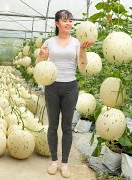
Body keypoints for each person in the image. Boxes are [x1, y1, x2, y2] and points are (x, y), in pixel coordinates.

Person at [36, 10, 93, 178]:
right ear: (57, 23)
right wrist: (40, 56)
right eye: (65, 20)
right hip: (52, 87)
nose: (69, 23)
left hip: (70, 88)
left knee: (67, 127)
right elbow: (39, 66)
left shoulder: (76, 42)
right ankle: (54, 161)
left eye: (70, 21)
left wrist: (82, 51)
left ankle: (65, 163)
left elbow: (82, 67)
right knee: (53, 125)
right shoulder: (49, 42)